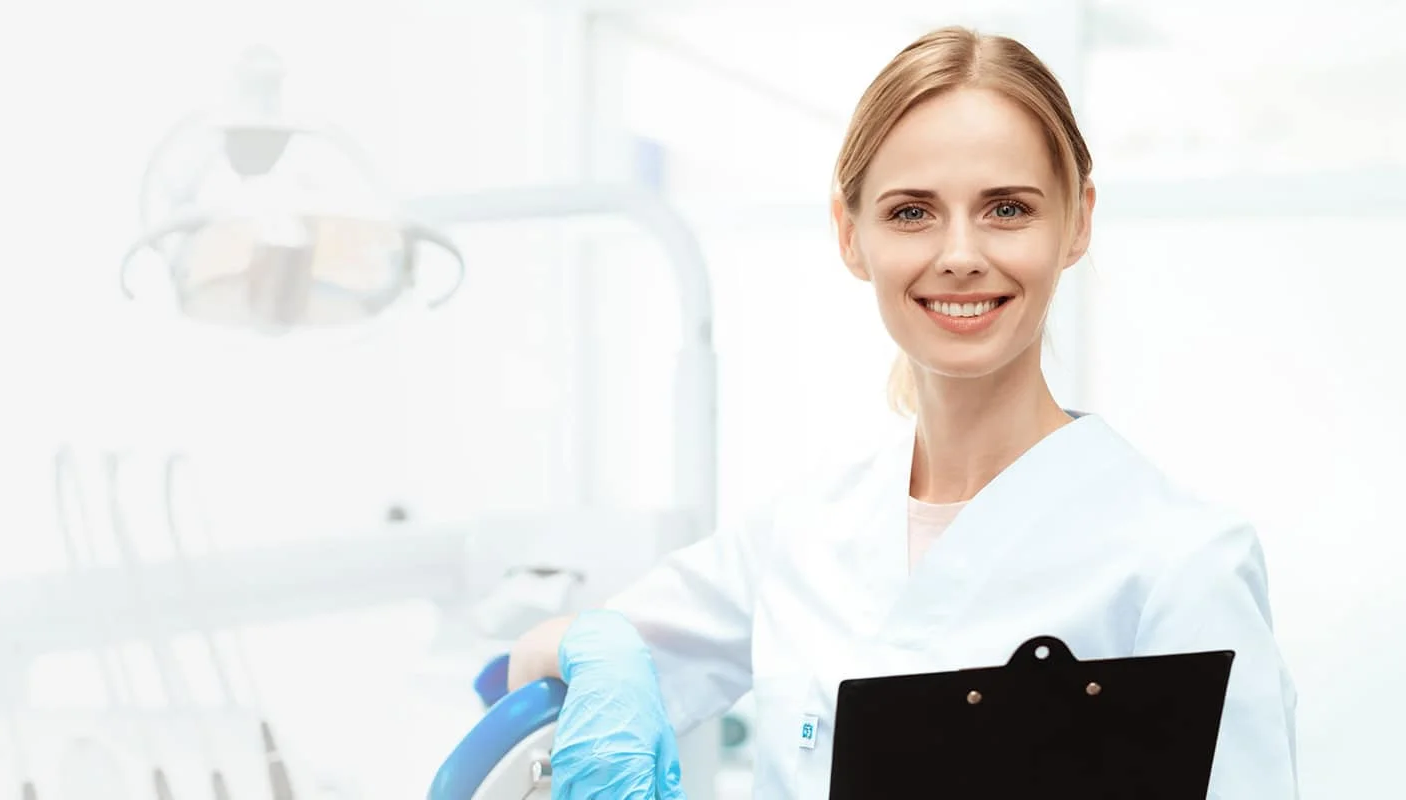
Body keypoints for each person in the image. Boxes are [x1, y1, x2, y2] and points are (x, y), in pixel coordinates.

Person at [506, 25, 1299, 799]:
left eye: (1008, 209)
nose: (959, 253)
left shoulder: (1179, 562)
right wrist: (601, 654)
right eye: (912, 212)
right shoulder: (804, 533)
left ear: (1078, 221)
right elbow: (545, 657)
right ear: (850, 234)